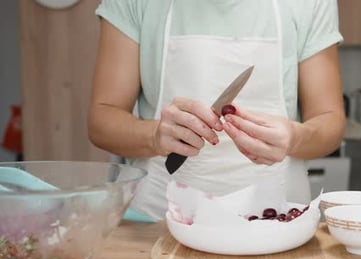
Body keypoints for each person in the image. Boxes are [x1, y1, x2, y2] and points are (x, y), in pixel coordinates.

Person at [88, 0, 346, 221]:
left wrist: (296, 138)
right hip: (160, 220)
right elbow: (101, 121)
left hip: (276, 219)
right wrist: (154, 135)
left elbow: (330, 123)